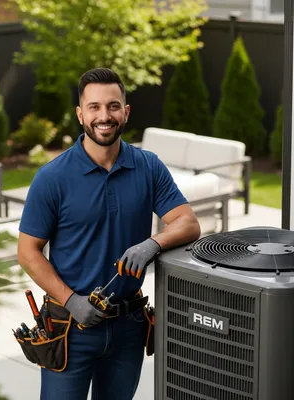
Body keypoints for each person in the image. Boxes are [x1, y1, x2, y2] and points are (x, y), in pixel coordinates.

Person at [17, 67, 201, 400]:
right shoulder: (52, 178)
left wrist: (152, 244)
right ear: (80, 114)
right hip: (69, 328)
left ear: (126, 112)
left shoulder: (148, 167)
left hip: (128, 326)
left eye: (113, 106)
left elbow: (188, 222)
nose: (105, 115)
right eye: (95, 107)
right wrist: (72, 301)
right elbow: (28, 252)